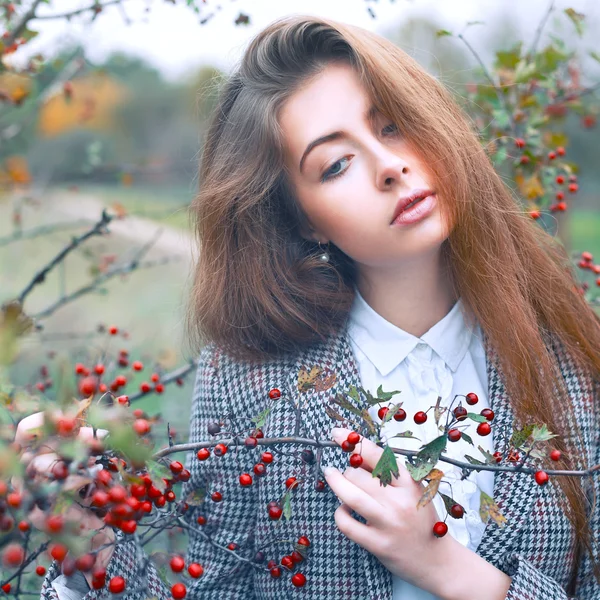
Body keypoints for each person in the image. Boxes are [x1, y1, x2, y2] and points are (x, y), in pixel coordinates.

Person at [28, 14, 600, 600]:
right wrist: (88, 542)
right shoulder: (251, 382)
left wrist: (450, 572)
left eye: (394, 126)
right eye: (336, 165)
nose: (389, 166)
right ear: (305, 220)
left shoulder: (570, 358)